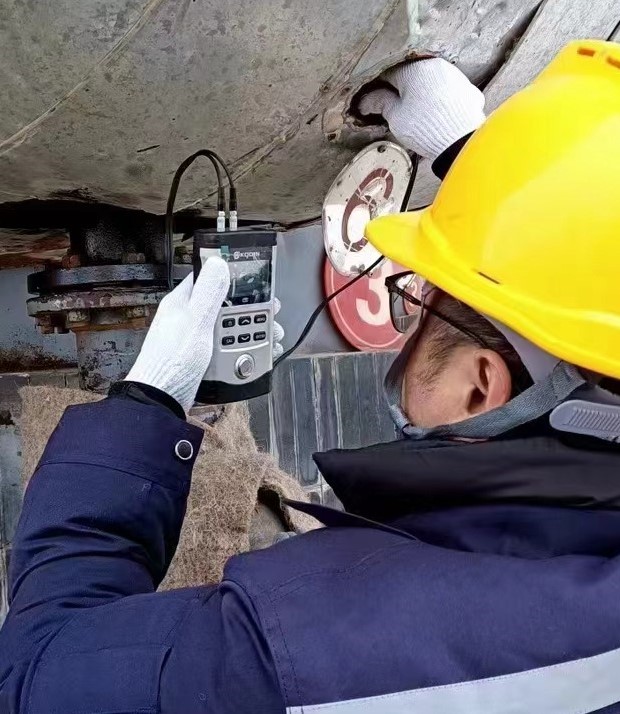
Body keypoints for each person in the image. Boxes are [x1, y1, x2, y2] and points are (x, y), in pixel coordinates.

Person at [2, 40, 620, 714]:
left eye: (418, 300)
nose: (407, 320)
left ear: (480, 385)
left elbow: (34, 675)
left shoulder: (335, 652)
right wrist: (483, 166)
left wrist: (144, 405)